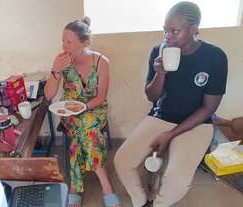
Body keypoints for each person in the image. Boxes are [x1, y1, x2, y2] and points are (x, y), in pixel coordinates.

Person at [114, 2, 228, 207]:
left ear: (195, 30)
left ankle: (159, 204)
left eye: (175, 31)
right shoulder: (159, 51)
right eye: (165, 30)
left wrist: (170, 135)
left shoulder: (215, 57)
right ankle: (140, 201)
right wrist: (160, 74)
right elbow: (152, 97)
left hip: (196, 124)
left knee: (177, 181)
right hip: (160, 117)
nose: (167, 37)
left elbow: (209, 109)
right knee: (122, 161)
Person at [44, 17, 121, 207]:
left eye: (69, 42)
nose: (64, 45)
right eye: (63, 40)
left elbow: (101, 97)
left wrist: (84, 108)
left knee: (85, 129)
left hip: (94, 108)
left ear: (85, 43)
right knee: (86, 128)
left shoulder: (101, 62)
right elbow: (48, 95)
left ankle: (75, 187)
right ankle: (107, 187)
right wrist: (55, 70)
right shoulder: (61, 62)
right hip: (69, 110)